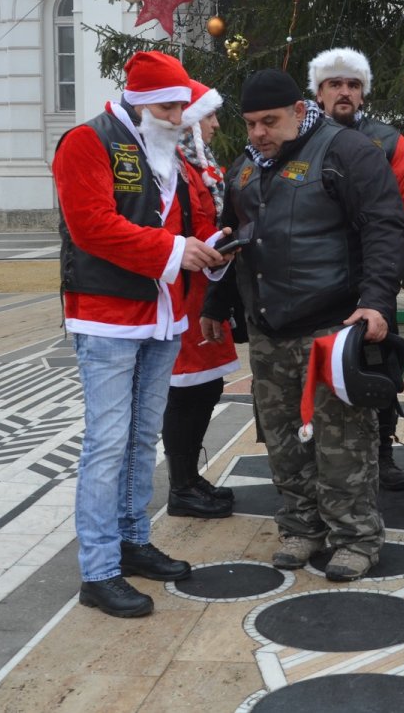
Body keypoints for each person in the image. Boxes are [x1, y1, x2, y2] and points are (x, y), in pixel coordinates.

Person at [200, 68, 404, 582]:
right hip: (269, 327)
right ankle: (300, 527)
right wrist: (215, 301)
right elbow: (236, 239)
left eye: (268, 121)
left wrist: (377, 302)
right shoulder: (245, 169)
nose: (258, 134)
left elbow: (385, 227)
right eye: (249, 124)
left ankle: (355, 537)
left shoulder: (346, 152)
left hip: (330, 327)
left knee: (342, 441)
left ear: (298, 110)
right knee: (282, 438)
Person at [55, 51, 228, 617]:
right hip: (105, 316)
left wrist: (212, 249)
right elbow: (93, 226)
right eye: (170, 105)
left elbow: (176, 223)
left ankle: (131, 541)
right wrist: (179, 251)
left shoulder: (164, 149)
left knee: (139, 438)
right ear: (140, 99)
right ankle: (98, 569)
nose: (180, 115)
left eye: (183, 105)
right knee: (106, 443)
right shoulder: (87, 141)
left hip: (161, 314)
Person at [307, 46, 404, 491]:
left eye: (353, 85)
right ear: (319, 92)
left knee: (378, 362)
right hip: (319, 276)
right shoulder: (302, 140)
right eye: (335, 84)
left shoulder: (389, 141)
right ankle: (316, 454)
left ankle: (382, 452)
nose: (345, 92)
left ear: (363, 93)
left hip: (372, 274)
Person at [162, 74, 239, 519]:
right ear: (189, 120)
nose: (214, 124)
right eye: (207, 115)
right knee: (186, 391)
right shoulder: (174, 165)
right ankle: (181, 485)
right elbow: (173, 229)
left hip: (200, 290)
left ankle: (189, 476)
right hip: (182, 294)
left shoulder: (198, 164)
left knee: (205, 387)